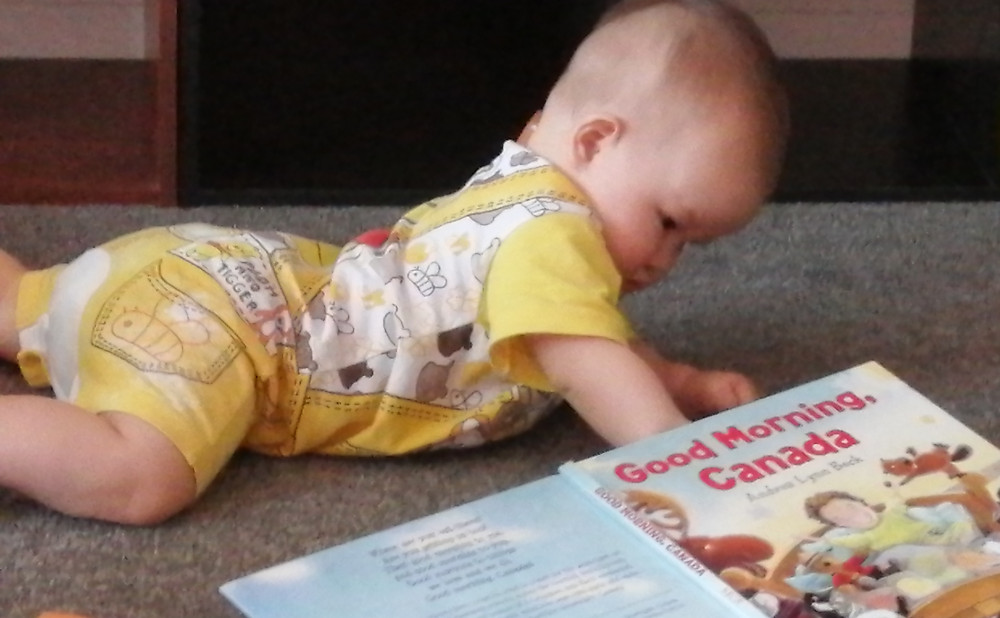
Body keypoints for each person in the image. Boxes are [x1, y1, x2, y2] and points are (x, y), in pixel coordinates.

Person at [0, 0, 788, 525]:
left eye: (691, 246)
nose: (666, 259)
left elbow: (593, 338)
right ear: (594, 142)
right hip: (225, 332)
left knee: (34, 305)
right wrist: (669, 451)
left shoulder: (526, 196)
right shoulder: (551, 235)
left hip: (216, 270)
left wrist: (676, 379)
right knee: (144, 479)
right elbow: (589, 363)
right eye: (669, 222)